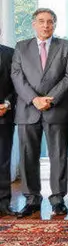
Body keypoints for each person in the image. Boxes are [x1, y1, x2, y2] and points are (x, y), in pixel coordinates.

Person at [12, 8, 68, 218]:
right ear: (34, 24)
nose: (46, 25)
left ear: (55, 25)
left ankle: (58, 199)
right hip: (27, 109)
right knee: (28, 156)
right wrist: (34, 99)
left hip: (56, 109)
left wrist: (49, 99)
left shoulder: (66, 46)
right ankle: (32, 199)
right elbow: (17, 76)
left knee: (58, 155)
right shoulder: (21, 47)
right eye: (41, 21)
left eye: (50, 21)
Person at [0, 38, 13, 216]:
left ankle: (3, 203)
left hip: (4, 114)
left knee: (3, 161)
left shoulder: (10, 53)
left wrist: (7, 104)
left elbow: (16, 83)